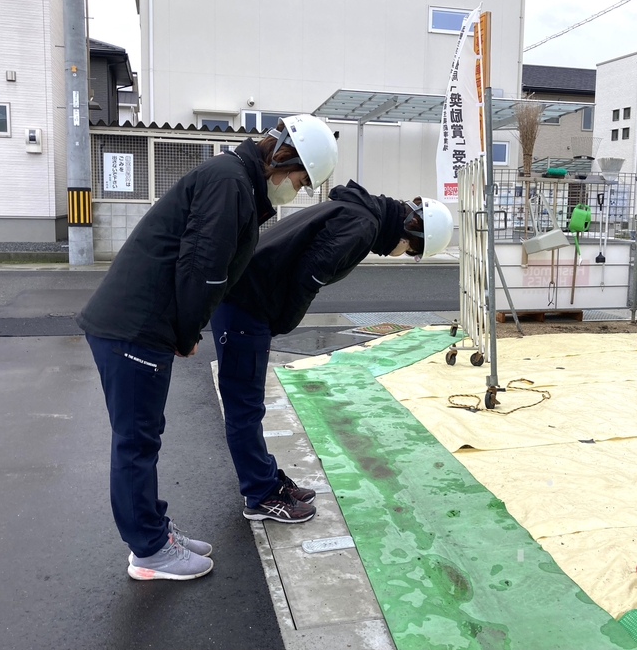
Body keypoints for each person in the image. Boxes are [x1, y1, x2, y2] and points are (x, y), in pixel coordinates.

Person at [77, 115, 338, 581]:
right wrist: (185, 331)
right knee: (136, 441)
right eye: (299, 180)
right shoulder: (230, 183)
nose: (296, 190)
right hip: (135, 325)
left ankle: (153, 532)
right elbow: (203, 269)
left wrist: (184, 330)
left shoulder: (236, 181)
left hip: (141, 323)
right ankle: (149, 551)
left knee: (143, 436)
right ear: (283, 159)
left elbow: (205, 266)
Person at [211, 180, 454, 523]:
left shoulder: (358, 213)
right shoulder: (362, 225)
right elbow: (310, 276)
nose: (409, 255)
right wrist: (283, 322)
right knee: (245, 408)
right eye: (415, 250)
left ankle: (265, 479)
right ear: (410, 232)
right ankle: (260, 495)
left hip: (248, 299)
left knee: (250, 405)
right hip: (246, 305)